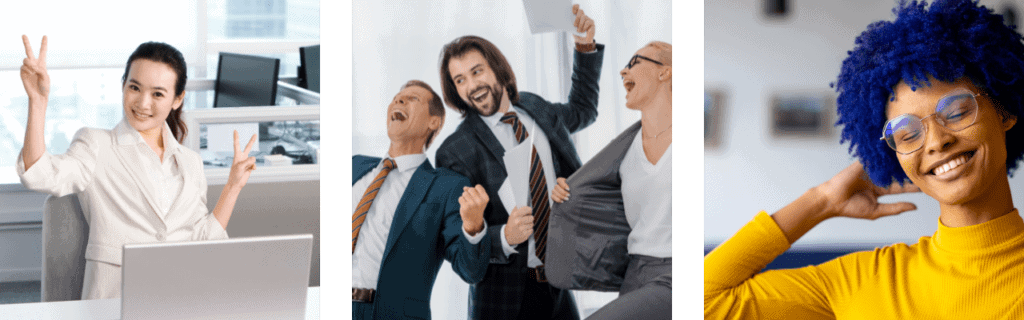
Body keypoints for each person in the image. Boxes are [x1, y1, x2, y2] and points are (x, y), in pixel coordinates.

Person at [704, 0, 1024, 318]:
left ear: (1005, 110)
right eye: (908, 134)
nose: (937, 141)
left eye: (955, 112)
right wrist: (821, 201)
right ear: (894, 154)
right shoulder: (863, 280)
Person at [17, 36, 257, 300]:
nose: (143, 103)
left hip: (181, 297)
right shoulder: (97, 144)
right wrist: (37, 104)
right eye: (134, 88)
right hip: (116, 300)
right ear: (123, 87)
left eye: (157, 94)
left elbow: (202, 239)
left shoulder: (190, 162)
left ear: (177, 99)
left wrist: (233, 186)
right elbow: (40, 174)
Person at [434, 4, 603, 320]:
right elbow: (458, 248)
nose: (471, 86)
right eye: (459, 80)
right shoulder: (455, 151)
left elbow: (583, 110)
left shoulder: (534, 107)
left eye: (477, 71)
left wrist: (584, 44)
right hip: (505, 302)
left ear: (497, 68)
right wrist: (504, 237)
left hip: (558, 284)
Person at [548, 41, 673, 319]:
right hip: (634, 271)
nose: (622, 71)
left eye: (635, 62)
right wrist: (569, 195)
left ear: (665, 72)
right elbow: (608, 208)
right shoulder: (625, 151)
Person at [350, 80, 491, 320]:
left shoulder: (446, 186)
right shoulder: (353, 164)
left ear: (433, 122)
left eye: (412, 98)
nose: (399, 100)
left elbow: (471, 271)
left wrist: (474, 225)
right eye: (397, 97)